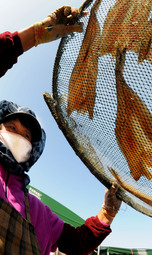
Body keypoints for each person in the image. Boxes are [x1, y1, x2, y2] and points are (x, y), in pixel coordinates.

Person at [0, 5, 122, 255]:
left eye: (26, 137)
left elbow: (77, 243)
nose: (17, 137)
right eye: (10, 127)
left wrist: (106, 213)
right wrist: (32, 36)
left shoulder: (38, 211)